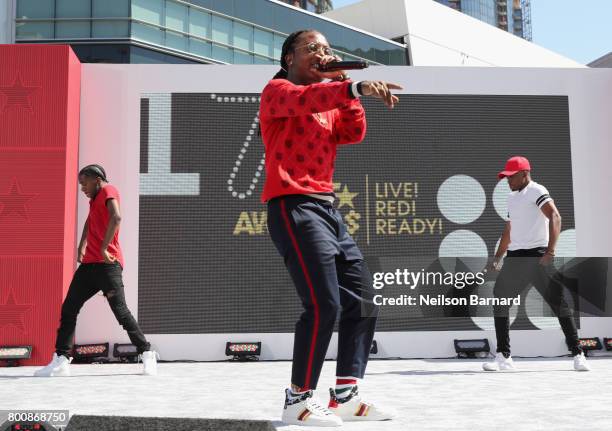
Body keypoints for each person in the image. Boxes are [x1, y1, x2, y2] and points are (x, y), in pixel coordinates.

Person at [260, 29, 402, 426]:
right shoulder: (278, 91)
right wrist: (352, 87)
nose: (322, 54)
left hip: (327, 210)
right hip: (293, 207)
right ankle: (298, 401)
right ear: (289, 58)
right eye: (312, 49)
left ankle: (345, 395)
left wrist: (346, 88)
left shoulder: (328, 96)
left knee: (362, 298)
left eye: (326, 50)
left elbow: (352, 133)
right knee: (323, 305)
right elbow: (305, 99)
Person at [34, 165, 159, 377]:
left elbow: (116, 217)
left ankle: (147, 353)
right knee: (69, 309)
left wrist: (103, 247)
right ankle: (62, 360)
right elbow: (91, 220)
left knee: (121, 312)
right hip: (89, 267)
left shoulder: (109, 190)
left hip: (108, 265)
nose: (82, 188)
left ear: (96, 178)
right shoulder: (94, 199)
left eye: (84, 183)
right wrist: (82, 243)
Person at [483, 156, 589, 372]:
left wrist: (550, 251)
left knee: (558, 304)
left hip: (538, 256)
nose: (507, 181)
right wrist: (498, 257)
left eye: (511, 177)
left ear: (524, 174)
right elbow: (509, 230)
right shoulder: (512, 198)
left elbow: (555, 216)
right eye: (505, 177)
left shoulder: (536, 190)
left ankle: (578, 354)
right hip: (515, 258)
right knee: (500, 301)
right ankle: (504, 356)